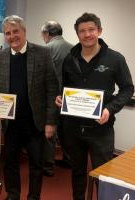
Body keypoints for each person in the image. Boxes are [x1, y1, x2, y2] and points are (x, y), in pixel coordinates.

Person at [55, 13, 134, 200]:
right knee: (77, 173)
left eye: (91, 29)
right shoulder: (69, 58)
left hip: (101, 129)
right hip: (73, 129)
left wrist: (110, 109)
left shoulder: (115, 59)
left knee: (103, 176)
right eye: (82, 31)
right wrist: (61, 98)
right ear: (77, 34)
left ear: (99, 30)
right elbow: (65, 88)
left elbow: (127, 89)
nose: (87, 34)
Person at [0, 15, 58, 200]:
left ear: (24, 31)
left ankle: (33, 197)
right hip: (11, 124)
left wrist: (51, 122)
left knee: (36, 164)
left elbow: (52, 88)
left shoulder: (42, 54)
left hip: (35, 123)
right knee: (10, 162)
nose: (12, 36)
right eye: (8, 33)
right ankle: (13, 194)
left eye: (15, 31)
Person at [41, 21, 73, 176]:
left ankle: (47, 166)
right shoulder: (74, 48)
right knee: (66, 130)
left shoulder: (45, 49)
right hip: (70, 97)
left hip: (52, 96)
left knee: (50, 131)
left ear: (47, 34)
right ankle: (69, 159)